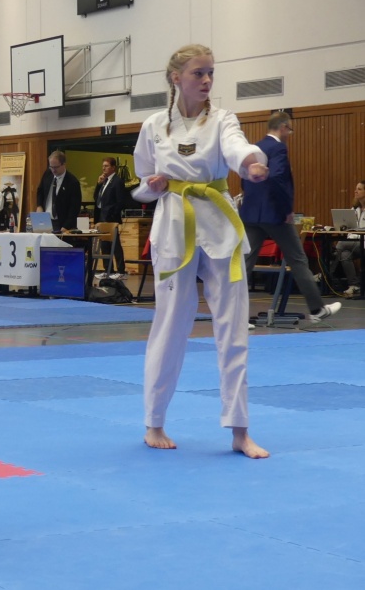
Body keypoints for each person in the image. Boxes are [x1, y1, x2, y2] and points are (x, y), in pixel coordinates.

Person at [132, 44, 270, 459]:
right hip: (174, 225)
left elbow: (237, 146)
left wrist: (250, 163)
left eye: (210, 72)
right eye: (198, 73)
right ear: (176, 78)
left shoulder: (223, 119)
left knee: (234, 328)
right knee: (170, 325)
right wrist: (152, 187)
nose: (207, 80)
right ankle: (154, 422)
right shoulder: (154, 126)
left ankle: (240, 430)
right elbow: (141, 182)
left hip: (220, 225)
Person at [240, 112, 341, 322]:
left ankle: (234, 315)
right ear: (284, 127)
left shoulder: (255, 148)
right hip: (274, 213)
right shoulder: (278, 148)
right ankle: (317, 309)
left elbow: (245, 178)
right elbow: (277, 178)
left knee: (245, 263)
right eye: (290, 129)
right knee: (297, 259)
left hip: (250, 213)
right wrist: (287, 210)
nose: (289, 134)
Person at [93, 157, 127, 278]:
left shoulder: (117, 181)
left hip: (111, 218)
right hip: (102, 217)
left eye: (106, 166)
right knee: (104, 245)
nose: (104, 168)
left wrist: (112, 215)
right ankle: (108, 269)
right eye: (103, 166)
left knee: (115, 245)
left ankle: (121, 270)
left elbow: (120, 201)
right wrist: (98, 185)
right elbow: (96, 198)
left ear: (113, 167)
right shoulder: (104, 181)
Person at [332, 180, 365, 296]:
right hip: (353, 242)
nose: (356, 191)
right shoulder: (354, 209)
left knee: (341, 244)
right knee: (344, 254)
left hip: (363, 242)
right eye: (356, 189)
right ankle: (354, 285)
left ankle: (327, 273)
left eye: (359, 189)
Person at [35, 150, 81, 231]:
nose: (53, 170)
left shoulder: (72, 182)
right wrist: (39, 206)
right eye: (51, 167)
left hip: (62, 223)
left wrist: (66, 226)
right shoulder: (48, 174)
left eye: (56, 167)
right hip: (45, 219)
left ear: (64, 164)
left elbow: (74, 208)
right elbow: (40, 190)